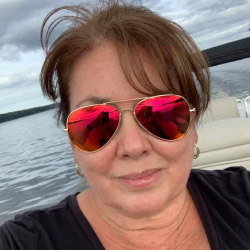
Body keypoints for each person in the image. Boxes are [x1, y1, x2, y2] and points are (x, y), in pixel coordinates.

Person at [1, 1, 250, 249]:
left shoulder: (243, 196)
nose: (133, 146)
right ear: (73, 144)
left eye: (161, 114)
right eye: (96, 122)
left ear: (192, 127)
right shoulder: (23, 243)